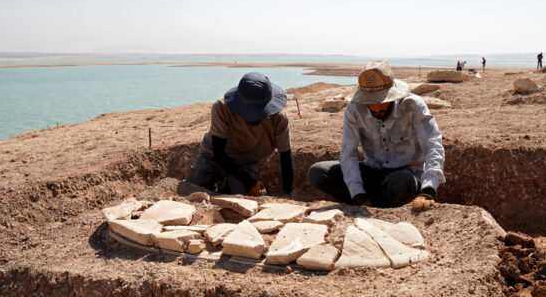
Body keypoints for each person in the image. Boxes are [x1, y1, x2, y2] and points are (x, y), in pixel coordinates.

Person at [308, 61, 445, 211]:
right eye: (371, 101)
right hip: (371, 172)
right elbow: (348, 153)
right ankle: (367, 203)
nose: (377, 107)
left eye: (381, 100)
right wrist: (357, 193)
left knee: (403, 182)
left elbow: (432, 144)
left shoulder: (414, 106)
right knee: (319, 172)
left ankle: (387, 206)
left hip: (404, 174)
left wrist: (428, 190)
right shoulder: (354, 109)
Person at [185, 72, 293, 196]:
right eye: (250, 111)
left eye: (259, 111)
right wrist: (250, 182)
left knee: (237, 196)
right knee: (191, 189)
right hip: (213, 156)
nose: (254, 116)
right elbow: (219, 154)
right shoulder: (221, 108)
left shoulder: (279, 118)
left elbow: (286, 156)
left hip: (246, 160)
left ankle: (226, 188)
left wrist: (288, 192)